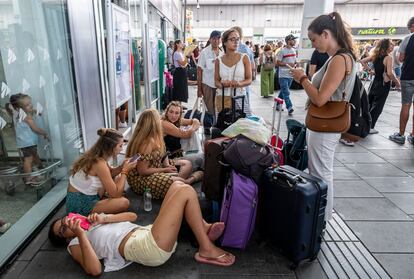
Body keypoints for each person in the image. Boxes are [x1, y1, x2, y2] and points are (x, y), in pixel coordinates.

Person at [48, 182, 235, 275]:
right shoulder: (73, 243)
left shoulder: (93, 221)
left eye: (65, 220)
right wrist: (80, 234)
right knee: (186, 192)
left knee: (177, 185)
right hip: (146, 247)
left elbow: (132, 217)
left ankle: (204, 229)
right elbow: (95, 270)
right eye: (63, 229)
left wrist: (105, 218)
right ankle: (206, 247)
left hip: (147, 232)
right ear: (66, 238)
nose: (67, 224)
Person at [290, 12, 358, 220]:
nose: (313, 44)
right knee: (320, 170)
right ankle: (319, 218)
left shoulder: (339, 60)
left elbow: (320, 99)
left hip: (326, 126)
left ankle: (321, 219)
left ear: (326, 34)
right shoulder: (339, 58)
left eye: (314, 39)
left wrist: (302, 78)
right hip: (325, 125)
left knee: (320, 173)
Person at [126, 109, 203, 200]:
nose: (161, 121)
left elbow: (163, 152)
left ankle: (173, 184)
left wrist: (167, 164)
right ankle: (188, 180)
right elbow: (142, 171)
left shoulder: (155, 135)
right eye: (159, 119)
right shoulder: (146, 143)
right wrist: (165, 169)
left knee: (187, 164)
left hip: (155, 165)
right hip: (142, 178)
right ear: (154, 123)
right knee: (180, 182)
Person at [66, 128, 134, 216]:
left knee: (117, 177)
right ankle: (97, 209)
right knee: (124, 202)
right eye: (120, 146)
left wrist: (121, 167)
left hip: (83, 197)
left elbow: (110, 173)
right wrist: (125, 171)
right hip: (80, 206)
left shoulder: (98, 156)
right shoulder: (99, 163)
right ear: (111, 147)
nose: (121, 149)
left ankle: (105, 200)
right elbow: (115, 195)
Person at [6, 93, 49, 185]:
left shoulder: (17, 113)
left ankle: (40, 168)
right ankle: (28, 177)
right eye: (27, 105)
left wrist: (35, 111)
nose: (31, 105)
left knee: (34, 155)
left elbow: (30, 110)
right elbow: (35, 128)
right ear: (19, 108)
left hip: (25, 142)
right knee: (28, 159)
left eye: (30, 103)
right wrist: (44, 133)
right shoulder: (26, 117)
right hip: (27, 142)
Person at [360, 39, 400, 134]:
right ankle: (370, 127)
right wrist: (397, 82)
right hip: (383, 84)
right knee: (378, 106)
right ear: (386, 46)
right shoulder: (388, 58)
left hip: (374, 83)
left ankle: (364, 125)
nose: (393, 46)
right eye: (390, 45)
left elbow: (362, 61)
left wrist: (370, 71)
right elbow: (390, 73)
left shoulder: (375, 56)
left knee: (369, 104)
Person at [214, 28, 252, 114]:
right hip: (222, 98)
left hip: (239, 97)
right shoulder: (218, 60)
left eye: (238, 39)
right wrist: (222, 85)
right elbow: (216, 81)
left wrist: (239, 83)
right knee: (223, 124)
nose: (236, 41)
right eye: (232, 39)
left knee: (241, 125)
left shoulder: (244, 58)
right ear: (224, 42)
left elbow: (249, 79)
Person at [389, 17, 414, 145]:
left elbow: (401, 58)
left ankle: (401, 135)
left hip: (408, 76)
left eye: (410, 28)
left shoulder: (407, 39)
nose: (409, 30)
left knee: (406, 105)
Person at [197, 30, 223, 116]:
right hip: (207, 85)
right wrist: (199, 89)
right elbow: (199, 71)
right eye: (214, 38)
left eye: (218, 38)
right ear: (210, 39)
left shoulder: (222, 53)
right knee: (209, 109)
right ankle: (208, 127)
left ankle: (216, 127)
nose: (216, 41)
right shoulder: (204, 52)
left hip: (219, 85)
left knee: (219, 107)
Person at [232, 26, 255, 115]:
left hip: (236, 80)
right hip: (245, 81)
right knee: (244, 102)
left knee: (237, 103)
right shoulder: (247, 48)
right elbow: (252, 66)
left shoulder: (237, 48)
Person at [276, 34, 297, 115]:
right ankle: (289, 107)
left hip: (291, 75)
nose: (295, 41)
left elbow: (294, 61)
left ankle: (277, 104)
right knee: (286, 92)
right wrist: (288, 64)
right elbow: (278, 63)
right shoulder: (282, 51)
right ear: (288, 41)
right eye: (293, 40)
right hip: (283, 75)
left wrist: (296, 64)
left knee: (283, 91)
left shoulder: (294, 50)